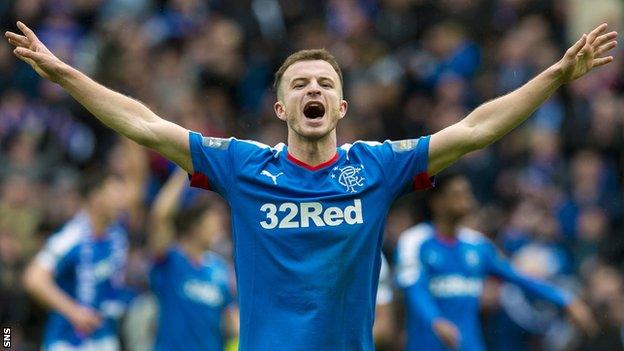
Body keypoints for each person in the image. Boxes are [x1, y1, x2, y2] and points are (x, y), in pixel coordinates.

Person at [5, 20, 616, 350]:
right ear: (279, 109)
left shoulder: (377, 166)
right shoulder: (244, 167)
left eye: (324, 83)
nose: (313, 91)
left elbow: (474, 129)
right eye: (299, 85)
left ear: (343, 106)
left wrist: (557, 76)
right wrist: (63, 75)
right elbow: (147, 124)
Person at [395, 172, 597, 351]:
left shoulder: (477, 245)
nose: (468, 200)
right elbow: (414, 290)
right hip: (427, 345)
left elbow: (518, 277)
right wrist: (436, 321)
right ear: (437, 202)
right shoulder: (414, 241)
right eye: (458, 194)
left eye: (468, 193)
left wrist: (565, 300)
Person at [22, 171, 131, 351]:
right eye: (115, 194)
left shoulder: (117, 235)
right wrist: (73, 311)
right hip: (68, 342)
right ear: (96, 198)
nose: (122, 201)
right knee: (7, 338)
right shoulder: (71, 237)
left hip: (105, 338)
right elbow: (34, 278)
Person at [148, 169, 238, 351]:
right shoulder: (170, 260)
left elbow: (231, 320)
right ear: (194, 224)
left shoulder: (219, 269)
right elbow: (160, 216)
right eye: (213, 222)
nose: (219, 229)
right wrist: (184, 170)